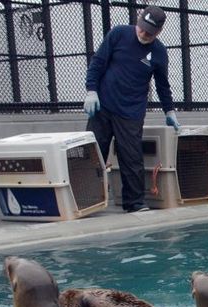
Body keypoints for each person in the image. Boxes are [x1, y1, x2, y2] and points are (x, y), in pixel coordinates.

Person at [83, 5, 180, 213]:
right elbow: (97, 63)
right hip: (103, 106)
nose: (143, 34)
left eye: (150, 33)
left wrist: (169, 111)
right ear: (138, 21)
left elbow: (163, 85)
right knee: (92, 154)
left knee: (131, 158)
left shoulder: (159, 52)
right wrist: (91, 90)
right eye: (142, 28)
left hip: (131, 112)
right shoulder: (118, 34)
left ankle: (134, 203)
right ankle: (85, 201)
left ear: (159, 32)